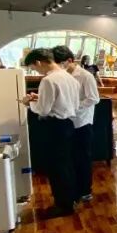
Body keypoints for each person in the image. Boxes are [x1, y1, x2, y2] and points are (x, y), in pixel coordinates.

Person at [21, 48, 80, 218]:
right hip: (68, 124)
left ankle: (63, 205)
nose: (36, 71)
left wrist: (28, 103)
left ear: (38, 62)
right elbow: (70, 104)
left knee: (56, 167)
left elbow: (43, 110)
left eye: (33, 67)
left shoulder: (48, 80)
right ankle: (71, 199)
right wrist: (39, 99)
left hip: (54, 127)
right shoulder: (70, 78)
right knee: (66, 164)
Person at [52, 46, 100, 203]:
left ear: (70, 60)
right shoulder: (62, 76)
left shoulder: (86, 76)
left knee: (83, 158)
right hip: (66, 121)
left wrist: (74, 106)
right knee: (70, 158)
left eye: (61, 63)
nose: (59, 66)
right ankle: (73, 190)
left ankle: (85, 190)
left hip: (82, 122)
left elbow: (93, 98)